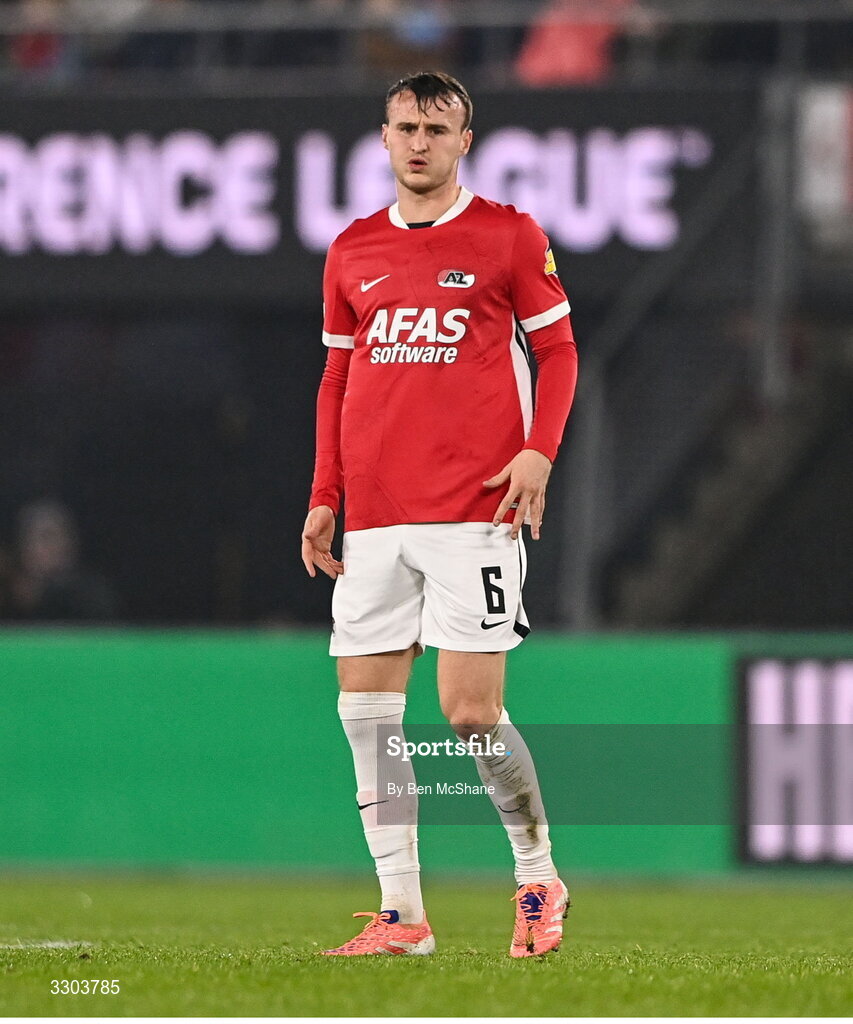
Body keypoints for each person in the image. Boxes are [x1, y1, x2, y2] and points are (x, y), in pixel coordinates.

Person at [301, 71, 578, 958]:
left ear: (465, 139)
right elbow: (338, 377)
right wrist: (323, 494)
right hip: (375, 515)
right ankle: (402, 917)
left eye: (436, 127)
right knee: (366, 716)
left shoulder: (505, 236)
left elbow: (559, 348)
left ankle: (537, 877)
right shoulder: (350, 251)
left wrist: (539, 449)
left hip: (474, 509)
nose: (418, 142)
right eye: (404, 127)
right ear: (381, 139)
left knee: (468, 714)